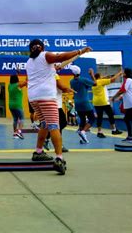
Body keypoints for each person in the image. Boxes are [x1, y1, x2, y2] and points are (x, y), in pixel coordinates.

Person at [26, 38, 92, 175]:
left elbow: (59, 64)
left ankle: (38, 151)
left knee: (44, 124)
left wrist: (80, 54)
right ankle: (59, 158)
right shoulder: (45, 56)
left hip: (33, 98)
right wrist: (80, 50)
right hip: (46, 97)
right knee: (54, 126)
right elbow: (60, 57)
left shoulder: (29, 62)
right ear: (42, 48)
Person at [111, 68, 132, 142]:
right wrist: (120, 98)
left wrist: (113, 97)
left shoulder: (128, 80)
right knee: (127, 119)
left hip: (131, 104)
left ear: (126, 74)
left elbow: (122, 90)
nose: (122, 74)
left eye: (123, 73)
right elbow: (129, 92)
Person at [89, 68, 123, 136]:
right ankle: (114, 130)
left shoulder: (93, 83)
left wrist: (104, 77)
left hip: (96, 102)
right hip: (103, 102)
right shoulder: (101, 81)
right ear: (100, 77)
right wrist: (119, 73)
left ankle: (99, 131)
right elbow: (112, 79)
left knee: (99, 117)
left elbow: (99, 79)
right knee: (110, 115)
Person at [69, 65, 96, 144]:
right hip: (85, 102)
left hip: (77, 103)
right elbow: (95, 83)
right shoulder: (83, 80)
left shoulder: (71, 81)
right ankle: (83, 131)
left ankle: (82, 138)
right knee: (92, 118)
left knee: (82, 120)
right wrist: (92, 75)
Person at [8, 74, 27, 139]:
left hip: (11, 105)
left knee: (15, 119)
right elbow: (26, 82)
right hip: (17, 105)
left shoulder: (9, 85)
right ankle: (19, 132)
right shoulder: (18, 85)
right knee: (22, 118)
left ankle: (15, 133)